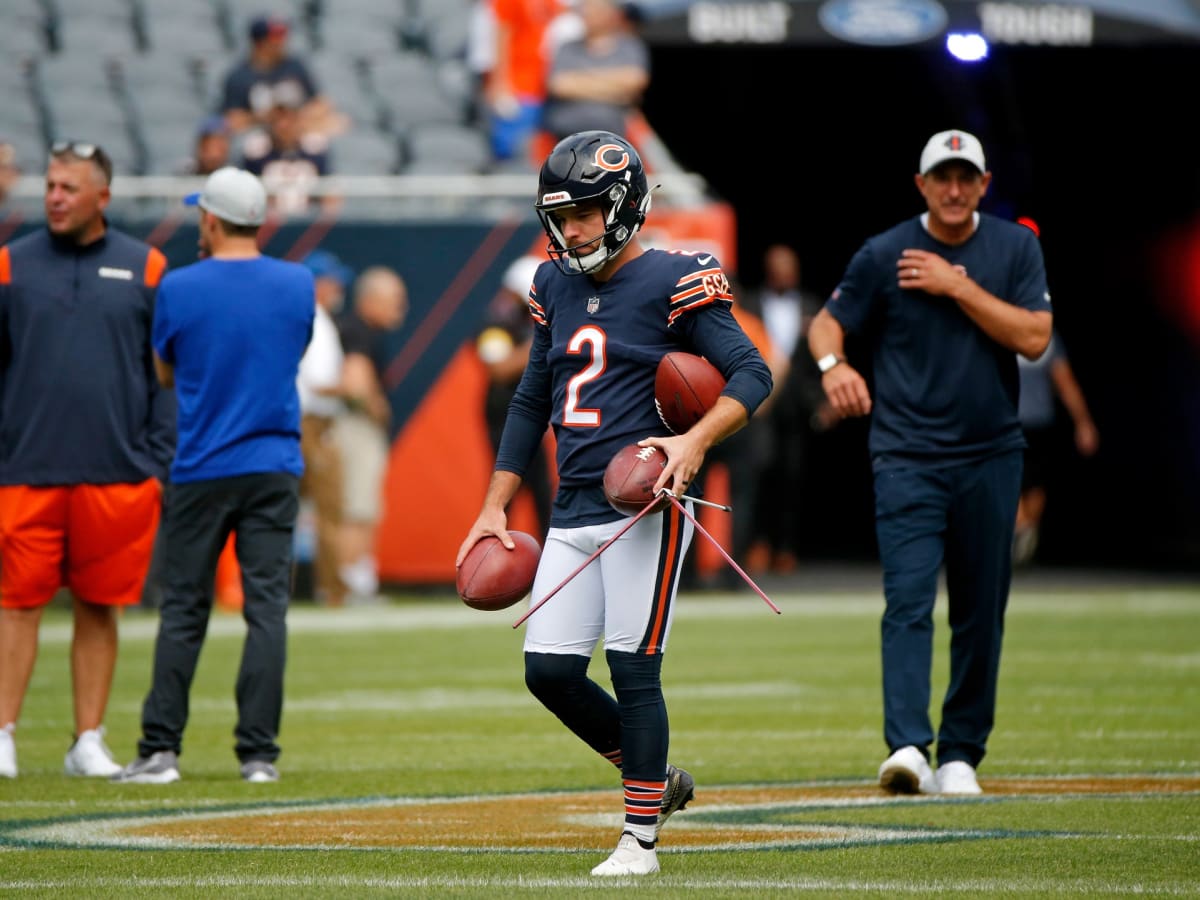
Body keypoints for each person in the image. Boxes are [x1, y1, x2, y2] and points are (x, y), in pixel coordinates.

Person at [455, 130, 773, 876]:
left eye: (588, 214)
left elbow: (751, 375)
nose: (573, 231)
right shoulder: (552, 285)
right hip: (570, 504)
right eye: (562, 218)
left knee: (634, 667)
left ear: (625, 206)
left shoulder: (677, 276)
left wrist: (690, 443)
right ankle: (656, 782)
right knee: (550, 673)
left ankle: (640, 842)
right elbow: (532, 398)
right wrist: (495, 504)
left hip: (644, 503)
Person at [807, 129, 1053, 797]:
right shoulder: (885, 251)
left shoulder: (1014, 247)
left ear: (983, 183)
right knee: (908, 601)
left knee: (981, 608)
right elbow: (826, 323)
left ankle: (961, 753)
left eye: (964, 177)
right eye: (940, 177)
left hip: (991, 454)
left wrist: (956, 287)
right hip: (906, 454)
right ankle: (910, 747)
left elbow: (1034, 337)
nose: (952, 189)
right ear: (920, 185)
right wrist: (834, 367)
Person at [111, 166, 314, 784]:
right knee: (266, 612)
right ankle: (258, 756)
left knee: (183, 610)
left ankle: (159, 750)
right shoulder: (297, 282)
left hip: (201, 465)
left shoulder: (180, 286)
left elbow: (166, 373)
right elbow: (292, 352)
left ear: (210, 219)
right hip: (274, 465)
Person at [0, 140, 174, 779]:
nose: (54, 196)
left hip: (118, 473)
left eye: (68, 187)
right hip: (27, 471)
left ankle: (88, 740)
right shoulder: (10, 265)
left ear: (103, 196)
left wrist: (154, 459)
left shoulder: (146, 265)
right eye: (49, 184)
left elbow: (164, 374)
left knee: (101, 605)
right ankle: (3, 734)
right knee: (17, 604)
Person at [744, 243, 828, 575]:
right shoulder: (750, 303)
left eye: (788, 266)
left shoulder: (810, 305)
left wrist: (822, 399)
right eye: (777, 266)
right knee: (757, 474)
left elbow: (817, 360)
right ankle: (757, 544)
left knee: (792, 478)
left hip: (796, 406)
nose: (783, 272)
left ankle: (786, 547)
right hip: (759, 405)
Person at [333, 265, 408, 602]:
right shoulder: (359, 331)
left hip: (352, 425)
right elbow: (355, 381)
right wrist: (378, 409)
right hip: (355, 426)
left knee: (362, 503)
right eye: (394, 300)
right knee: (358, 505)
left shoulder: (360, 330)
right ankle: (350, 584)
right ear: (370, 300)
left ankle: (354, 581)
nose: (400, 307)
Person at [475, 254, 553, 537]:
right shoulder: (496, 324)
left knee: (543, 492)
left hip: (529, 416)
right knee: (507, 492)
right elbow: (499, 368)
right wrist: (543, 342)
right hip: (506, 419)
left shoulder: (521, 321)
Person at [1014, 328, 1099, 565]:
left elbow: (1065, 380)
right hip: (1012, 420)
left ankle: (1025, 526)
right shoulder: (998, 326)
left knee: (1034, 481)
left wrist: (1083, 422)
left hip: (1034, 421)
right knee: (1013, 479)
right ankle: (1021, 526)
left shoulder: (1046, 335)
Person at [298, 249, 354, 605]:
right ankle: (333, 590)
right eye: (332, 281)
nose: (338, 287)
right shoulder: (316, 319)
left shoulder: (309, 317)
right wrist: (354, 385)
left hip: (307, 423)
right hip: (313, 425)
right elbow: (320, 381)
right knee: (329, 509)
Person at [540, 0, 649, 146]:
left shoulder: (629, 46)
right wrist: (618, 92)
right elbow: (558, 85)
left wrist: (579, 80)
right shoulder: (568, 47)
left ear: (611, 15)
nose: (589, 16)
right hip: (565, 139)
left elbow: (635, 81)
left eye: (596, 11)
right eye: (586, 12)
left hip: (613, 139)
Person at [219, 14, 343, 139]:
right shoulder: (239, 76)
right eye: (276, 37)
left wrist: (295, 118)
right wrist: (269, 118)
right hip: (259, 136)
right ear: (260, 42)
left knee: (336, 123)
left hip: (298, 131)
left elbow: (322, 103)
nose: (282, 42)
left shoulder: (295, 66)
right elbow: (232, 120)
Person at [241, 93, 340, 218]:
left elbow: (330, 194)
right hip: (267, 225)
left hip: (308, 223)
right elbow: (245, 195)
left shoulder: (315, 150)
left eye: (289, 118)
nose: (283, 125)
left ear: (298, 120)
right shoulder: (257, 153)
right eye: (278, 119)